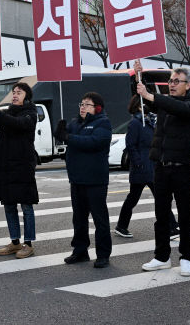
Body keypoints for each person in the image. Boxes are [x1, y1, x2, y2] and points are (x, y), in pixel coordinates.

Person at [135, 61, 190, 277]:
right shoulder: (165, 103)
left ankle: (187, 257)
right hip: (161, 166)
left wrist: (152, 96)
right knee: (161, 214)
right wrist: (138, 74)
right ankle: (161, 256)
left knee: (184, 213)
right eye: (170, 81)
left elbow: (178, 107)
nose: (172, 85)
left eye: (176, 81)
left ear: (188, 85)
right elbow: (145, 99)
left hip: (181, 167)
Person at [54, 92, 112, 268]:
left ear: (98, 108)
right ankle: (80, 251)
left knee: (99, 219)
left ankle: (103, 254)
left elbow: (93, 142)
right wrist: (60, 131)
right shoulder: (75, 123)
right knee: (78, 218)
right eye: (82, 104)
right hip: (77, 179)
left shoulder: (103, 123)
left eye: (87, 104)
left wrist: (69, 137)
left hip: (95, 180)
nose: (83, 107)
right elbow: (62, 139)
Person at [0, 83, 39, 259]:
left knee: (26, 206)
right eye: (13, 92)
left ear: (26, 96)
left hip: (22, 165)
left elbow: (14, 123)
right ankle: (15, 242)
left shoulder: (30, 114)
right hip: (6, 165)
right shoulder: (8, 112)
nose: (14, 95)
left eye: (18, 92)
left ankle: (28, 244)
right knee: (8, 205)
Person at [113, 95, 178, 239]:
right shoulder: (136, 123)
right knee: (135, 198)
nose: (148, 105)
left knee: (155, 196)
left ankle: (172, 226)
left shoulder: (151, 121)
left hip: (153, 165)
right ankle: (172, 226)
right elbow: (130, 145)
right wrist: (138, 163)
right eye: (145, 103)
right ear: (139, 106)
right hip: (142, 167)